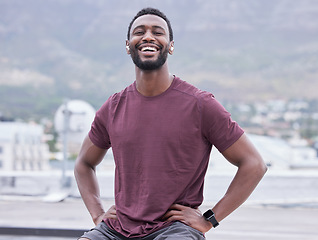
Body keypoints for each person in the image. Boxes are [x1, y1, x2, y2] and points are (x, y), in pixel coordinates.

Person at [74, 7, 267, 240]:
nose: (148, 36)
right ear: (128, 45)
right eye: (139, 32)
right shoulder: (113, 107)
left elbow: (254, 164)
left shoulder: (200, 105)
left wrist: (210, 219)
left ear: (170, 46)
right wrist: (98, 215)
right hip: (117, 229)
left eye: (158, 32)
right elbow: (84, 163)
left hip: (174, 230)